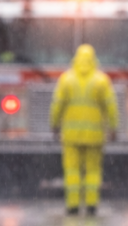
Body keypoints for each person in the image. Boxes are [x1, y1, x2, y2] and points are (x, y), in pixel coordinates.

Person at [50, 44, 118, 216]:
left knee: (72, 171)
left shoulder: (66, 79)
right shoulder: (101, 80)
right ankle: (91, 205)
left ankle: (72, 205)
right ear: (93, 59)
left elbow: (57, 105)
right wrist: (113, 128)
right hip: (95, 136)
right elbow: (111, 107)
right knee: (93, 172)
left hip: (71, 136)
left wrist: (54, 125)